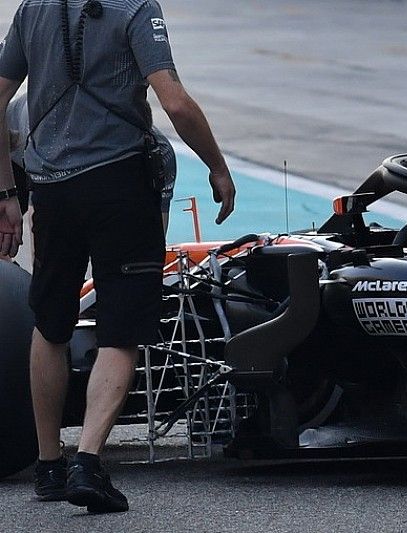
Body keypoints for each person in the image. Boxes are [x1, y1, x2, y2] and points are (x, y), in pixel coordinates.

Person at [0, 0, 236, 514]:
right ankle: (87, 461)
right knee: (121, 328)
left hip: (51, 190)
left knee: (51, 321)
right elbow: (173, 103)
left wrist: (6, 195)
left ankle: (48, 466)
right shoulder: (135, 9)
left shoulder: (32, 9)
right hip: (119, 185)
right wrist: (217, 166)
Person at [6, 94, 178, 233]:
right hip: (17, 146)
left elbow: (153, 243)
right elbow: (42, 234)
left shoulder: (161, 155)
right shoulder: (58, 142)